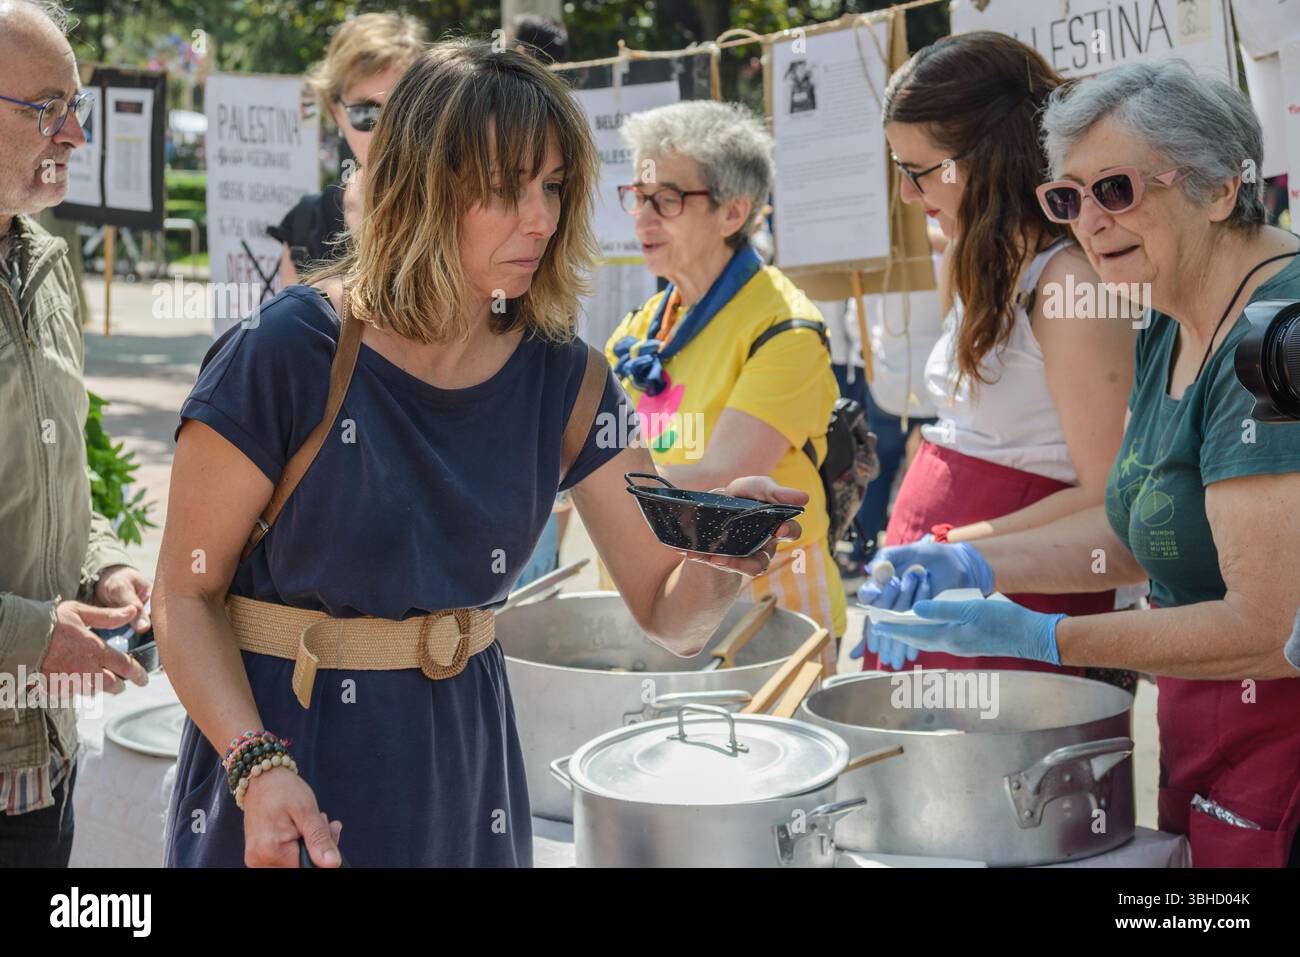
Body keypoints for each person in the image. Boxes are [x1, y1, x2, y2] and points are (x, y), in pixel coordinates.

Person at [155, 40, 804, 868]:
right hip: (285, 773)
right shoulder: (284, 351)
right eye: (503, 190)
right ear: (421, 188)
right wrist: (254, 764)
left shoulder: (567, 379)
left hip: (465, 781)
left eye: (554, 187)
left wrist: (720, 554)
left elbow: (670, 612)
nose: (541, 217)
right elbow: (183, 593)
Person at [868, 59, 1300, 868]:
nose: (1091, 221)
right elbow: (1139, 523)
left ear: (1217, 190)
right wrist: (968, 562)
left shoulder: (1274, 333)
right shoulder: (1172, 313)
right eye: (1068, 198)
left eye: (1118, 190)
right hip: (1209, 740)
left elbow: (1271, 628)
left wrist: (1047, 636)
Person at [853, 32, 1135, 688]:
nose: (906, 194)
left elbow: (1108, 493)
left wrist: (963, 548)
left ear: (984, 158)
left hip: (1024, 593)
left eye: (916, 172)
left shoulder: (1066, 283)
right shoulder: (978, 258)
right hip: (948, 572)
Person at [605, 100, 846, 669]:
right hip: (669, 596)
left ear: (732, 213)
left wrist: (579, 484)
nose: (641, 219)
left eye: (666, 199)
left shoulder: (786, 326)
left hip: (770, 598)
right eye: (636, 197)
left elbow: (721, 477)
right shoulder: (643, 324)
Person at [0, 0, 150, 866]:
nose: (77, 136)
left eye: (77, 108)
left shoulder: (45, 263)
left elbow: (54, 480)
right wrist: (31, 636)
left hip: (40, 761)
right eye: (48, 108)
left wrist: (104, 562)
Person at [269, 12, 428, 286]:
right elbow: (290, 327)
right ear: (336, 112)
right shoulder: (306, 225)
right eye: (365, 113)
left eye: (404, 108)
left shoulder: (464, 206)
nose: (385, 129)